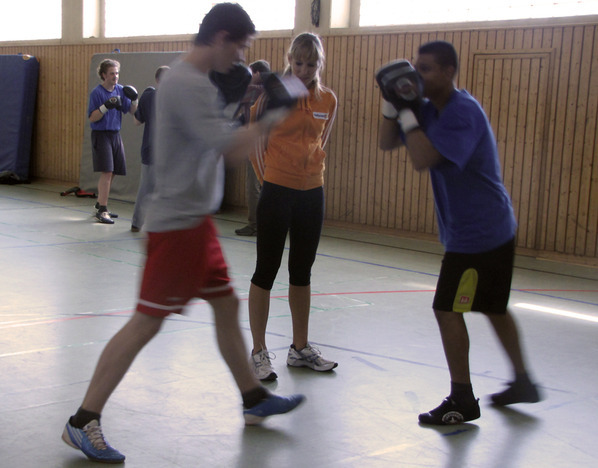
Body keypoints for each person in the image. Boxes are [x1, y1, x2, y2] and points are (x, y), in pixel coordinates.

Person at [61, 3, 304, 464]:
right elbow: (231, 148)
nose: (238, 58)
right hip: (176, 227)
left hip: (195, 222)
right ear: (222, 38)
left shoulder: (193, 79)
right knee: (145, 323)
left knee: (227, 306)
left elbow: (215, 136)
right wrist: (272, 114)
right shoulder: (187, 83)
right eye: (239, 48)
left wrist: (248, 98)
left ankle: (253, 399)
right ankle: (82, 419)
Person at [377, 40, 542, 425]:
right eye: (415, 68)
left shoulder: (462, 112)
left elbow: (423, 159)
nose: (417, 76)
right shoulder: (426, 108)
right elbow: (386, 143)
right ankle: (523, 382)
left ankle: (462, 398)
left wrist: (405, 112)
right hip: (488, 227)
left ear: (449, 73)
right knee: (493, 306)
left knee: (447, 308)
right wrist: (391, 103)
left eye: (427, 69)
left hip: (479, 233)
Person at [248, 33, 338, 381]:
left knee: (302, 271)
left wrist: (310, 171)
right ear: (290, 60)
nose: (303, 69)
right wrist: (270, 178)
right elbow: (257, 142)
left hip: (311, 193)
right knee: (265, 270)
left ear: (319, 64)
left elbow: (322, 140)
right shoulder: (273, 95)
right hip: (276, 190)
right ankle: (258, 351)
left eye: (311, 63)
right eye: (298, 62)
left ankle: (300, 348)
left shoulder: (328, 99)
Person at [87, 58, 139, 224]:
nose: (115, 76)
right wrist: (105, 106)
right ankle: (102, 210)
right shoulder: (97, 93)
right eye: (112, 73)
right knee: (107, 171)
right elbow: (93, 118)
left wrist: (135, 98)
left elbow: (132, 112)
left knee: (115, 170)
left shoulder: (121, 90)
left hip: (115, 135)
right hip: (101, 134)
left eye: (117, 73)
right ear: (104, 75)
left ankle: (99, 204)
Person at [131, 65, 170, 232]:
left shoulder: (148, 96)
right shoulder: (175, 98)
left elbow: (137, 121)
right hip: (168, 151)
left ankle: (137, 223)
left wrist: (135, 103)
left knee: (146, 189)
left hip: (152, 150)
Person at [235, 59, 271, 237]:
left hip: (257, 144)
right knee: (268, 185)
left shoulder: (254, 91)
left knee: (253, 185)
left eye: (251, 74)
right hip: (272, 145)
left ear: (257, 74)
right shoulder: (273, 91)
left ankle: (255, 224)